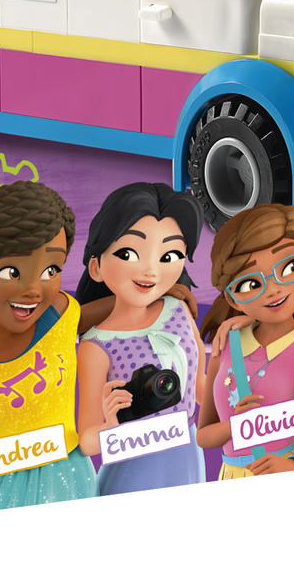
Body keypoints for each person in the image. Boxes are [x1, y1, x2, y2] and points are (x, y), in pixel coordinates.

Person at [0, 181, 104, 513]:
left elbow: (110, 310)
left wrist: (166, 296)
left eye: (51, 270)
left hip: (68, 475)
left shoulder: (60, 314)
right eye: (11, 272)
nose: (33, 290)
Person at [74, 183, 206, 493]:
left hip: (187, 459)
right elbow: (87, 441)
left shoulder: (179, 310)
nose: (150, 271)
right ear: (96, 267)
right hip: (130, 471)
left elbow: (201, 388)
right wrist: (110, 425)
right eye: (128, 254)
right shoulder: (95, 345)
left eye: (169, 255)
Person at [195, 204, 294, 476]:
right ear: (232, 298)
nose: (273, 289)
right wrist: (235, 425)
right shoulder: (227, 343)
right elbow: (203, 436)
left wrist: (293, 463)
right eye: (250, 284)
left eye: (291, 267)